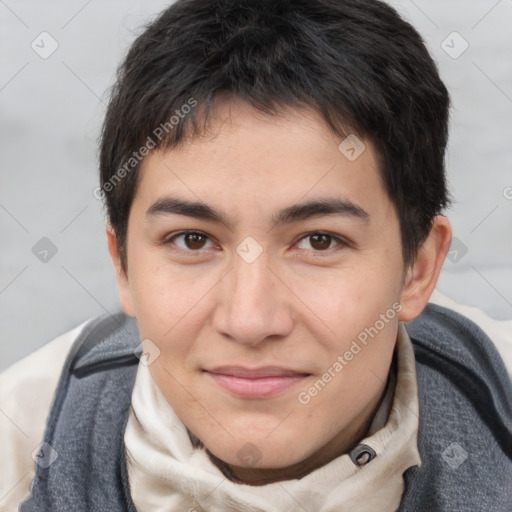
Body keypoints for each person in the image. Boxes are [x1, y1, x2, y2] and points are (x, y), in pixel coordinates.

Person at [1, 0, 511, 510]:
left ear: (417, 269)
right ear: (123, 266)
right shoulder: (21, 445)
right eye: (193, 240)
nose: (249, 320)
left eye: (319, 241)